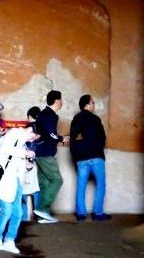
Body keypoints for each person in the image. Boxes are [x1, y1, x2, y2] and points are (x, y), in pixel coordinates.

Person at [0, 122, 40, 253]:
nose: (32, 140)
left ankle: (9, 240)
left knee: (18, 213)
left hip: (16, 181)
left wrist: (27, 166)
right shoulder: (14, 133)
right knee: (6, 211)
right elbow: (6, 149)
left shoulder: (22, 142)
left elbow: (16, 162)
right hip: (5, 180)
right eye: (33, 137)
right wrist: (25, 154)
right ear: (29, 130)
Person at [70, 94, 110, 221]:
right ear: (87, 104)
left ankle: (81, 213)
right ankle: (98, 213)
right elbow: (102, 138)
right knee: (100, 184)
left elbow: (73, 141)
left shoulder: (76, 120)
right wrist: (98, 149)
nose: (94, 105)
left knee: (81, 186)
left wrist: (76, 157)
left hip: (81, 158)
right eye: (92, 103)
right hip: (96, 156)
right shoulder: (95, 120)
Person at [33, 90, 68, 223]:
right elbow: (50, 134)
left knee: (45, 183)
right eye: (61, 99)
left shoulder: (43, 114)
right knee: (57, 180)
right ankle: (42, 209)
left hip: (39, 152)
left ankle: (42, 216)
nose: (61, 102)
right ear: (57, 101)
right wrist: (61, 138)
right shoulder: (51, 115)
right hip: (46, 153)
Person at [21, 106, 42, 219]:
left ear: (29, 117)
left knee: (24, 193)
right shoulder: (41, 134)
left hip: (27, 168)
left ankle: (24, 218)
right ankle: (38, 216)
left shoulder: (27, 134)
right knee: (36, 191)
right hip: (33, 167)